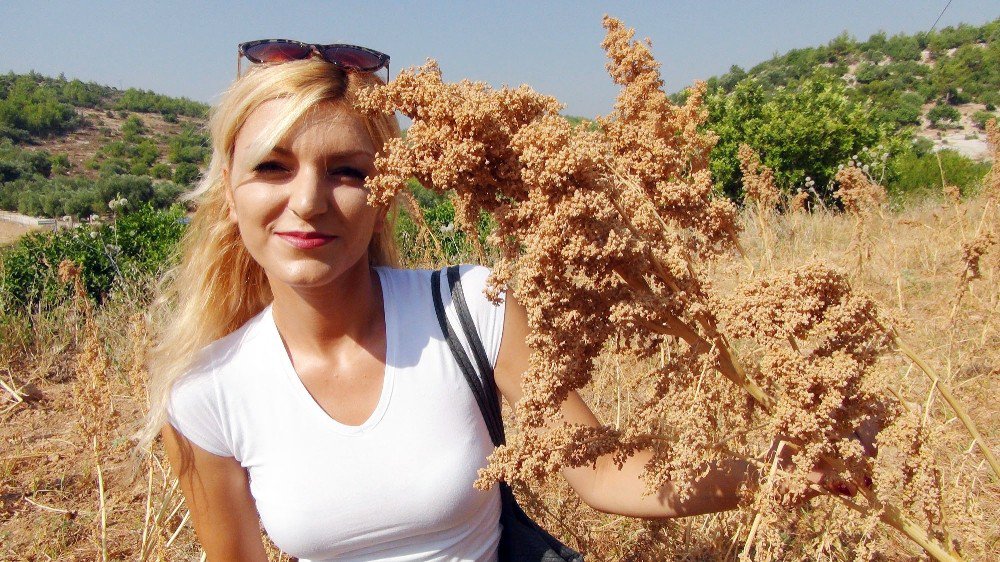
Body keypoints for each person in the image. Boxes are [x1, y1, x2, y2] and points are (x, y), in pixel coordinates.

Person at [141, 41, 806, 562]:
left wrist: (786, 471)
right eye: (272, 167)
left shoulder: (467, 307)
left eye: (348, 170)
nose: (309, 200)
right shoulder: (207, 397)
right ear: (230, 193)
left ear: (387, 195)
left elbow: (604, 473)